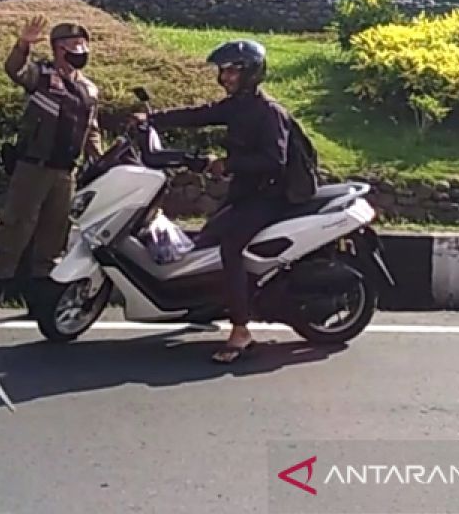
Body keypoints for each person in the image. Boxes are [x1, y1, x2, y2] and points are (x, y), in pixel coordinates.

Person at [132, 39, 319, 364]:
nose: (225, 77)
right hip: (249, 193)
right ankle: (211, 304)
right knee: (207, 237)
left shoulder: (268, 112)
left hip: (273, 196)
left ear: (251, 73)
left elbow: (274, 161)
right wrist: (153, 120)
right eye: (223, 70)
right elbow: (201, 114)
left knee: (230, 247)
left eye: (232, 70)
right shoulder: (238, 105)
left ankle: (241, 330)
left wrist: (227, 164)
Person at [0, 16, 104, 320]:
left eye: (83, 45)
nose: (80, 51)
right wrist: (24, 44)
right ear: (57, 49)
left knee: (54, 235)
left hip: (64, 172)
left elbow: (91, 128)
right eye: (72, 46)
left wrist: (99, 156)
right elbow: (14, 70)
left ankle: (40, 299)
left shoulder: (89, 90)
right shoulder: (41, 76)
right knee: (14, 229)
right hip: (33, 168)